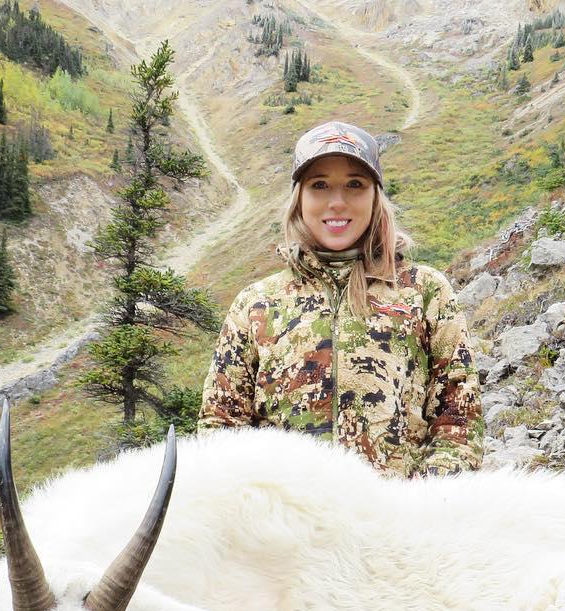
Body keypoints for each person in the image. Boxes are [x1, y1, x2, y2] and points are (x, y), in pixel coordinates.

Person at [198, 120, 484, 477]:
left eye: (355, 184)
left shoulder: (425, 292)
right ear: (299, 198)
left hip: (398, 522)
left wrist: (424, 501)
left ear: (375, 196)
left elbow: (458, 420)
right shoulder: (256, 304)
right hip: (283, 524)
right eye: (319, 185)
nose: (337, 202)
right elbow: (220, 427)